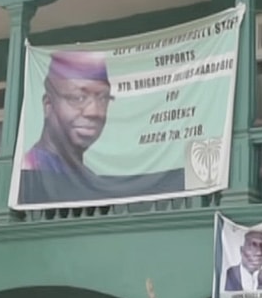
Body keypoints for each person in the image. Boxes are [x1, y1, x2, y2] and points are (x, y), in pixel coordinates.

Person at [18, 50, 184, 204]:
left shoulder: (88, 178)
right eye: (78, 97)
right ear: (48, 105)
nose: (94, 112)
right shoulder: (29, 173)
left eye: (103, 98)